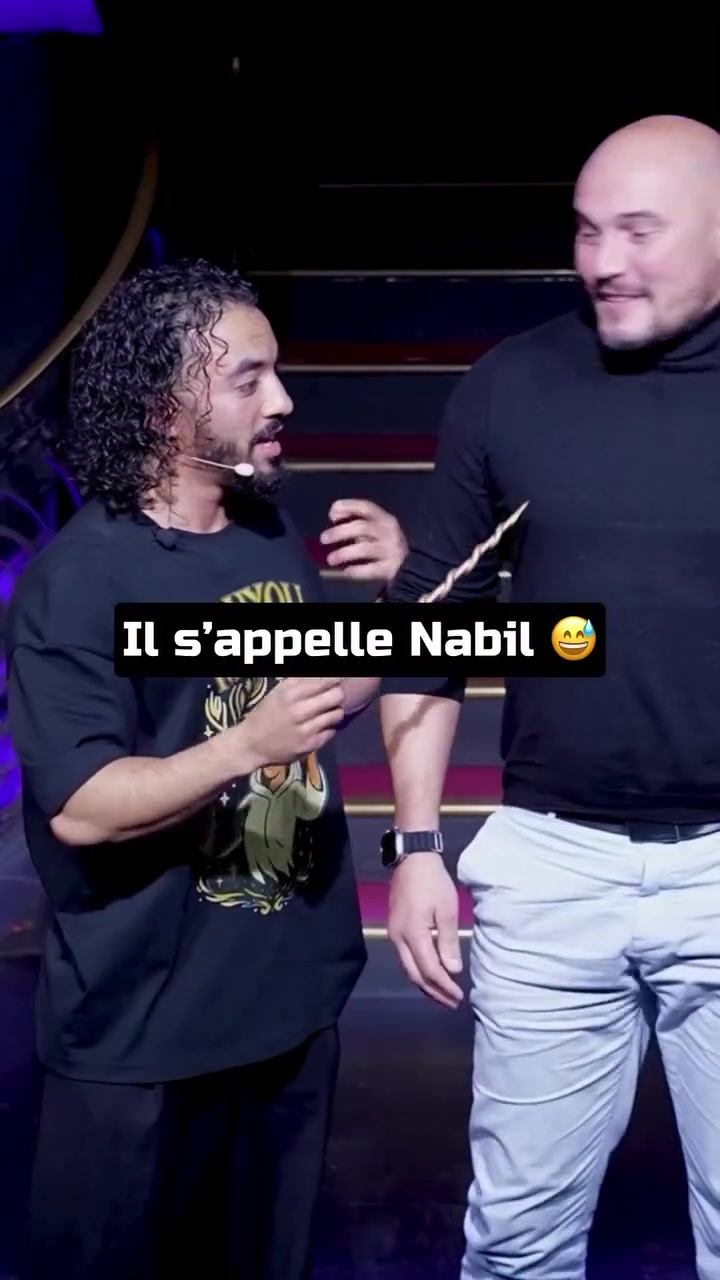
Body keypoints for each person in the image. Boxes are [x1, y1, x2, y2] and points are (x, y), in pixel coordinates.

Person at [4, 257, 407, 1280]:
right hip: (143, 1043)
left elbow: (318, 695)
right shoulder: (82, 579)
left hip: (287, 1015)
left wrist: (399, 599)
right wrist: (245, 746)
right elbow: (84, 807)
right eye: (248, 379)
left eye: (279, 372)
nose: (283, 400)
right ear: (161, 405)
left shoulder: (264, 533)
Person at [377, 115, 720, 1280]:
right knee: (517, 1242)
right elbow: (428, 625)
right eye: (585, 230)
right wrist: (415, 845)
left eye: (638, 231)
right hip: (552, 866)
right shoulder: (512, 383)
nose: (602, 261)